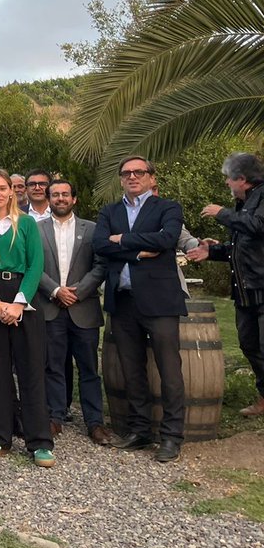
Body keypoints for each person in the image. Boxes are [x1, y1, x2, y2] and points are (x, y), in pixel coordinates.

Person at [93, 156, 186, 462]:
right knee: (132, 370)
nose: (132, 177)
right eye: (126, 173)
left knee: (169, 370)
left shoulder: (168, 208)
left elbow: (168, 239)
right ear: (121, 179)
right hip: (123, 302)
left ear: (151, 178)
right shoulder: (110, 211)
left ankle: (171, 436)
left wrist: (123, 240)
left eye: (139, 172)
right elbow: (100, 245)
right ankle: (140, 430)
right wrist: (137, 252)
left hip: (159, 302)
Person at [0, 169, 54, 466]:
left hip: (23, 297)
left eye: (3, 188)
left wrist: (17, 304)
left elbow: (36, 264)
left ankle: (39, 440)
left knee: (31, 369)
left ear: (12, 191)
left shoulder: (27, 223)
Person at [36, 178, 111, 444]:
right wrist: (56, 291)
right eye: (55, 194)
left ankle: (94, 422)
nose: (60, 199)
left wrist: (78, 292)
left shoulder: (92, 229)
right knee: (53, 365)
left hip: (84, 308)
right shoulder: (36, 229)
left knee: (89, 368)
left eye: (65, 194)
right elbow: (32, 265)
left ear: (74, 199)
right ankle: (55, 417)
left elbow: (101, 265)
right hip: (51, 307)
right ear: (49, 199)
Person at [191, 153, 264, 416]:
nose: (226, 183)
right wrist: (212, 251)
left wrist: (221, 213)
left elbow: (258, 226)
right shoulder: (241, 205)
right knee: (249, 344)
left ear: (242, 179)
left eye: (228, 178)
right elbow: (243, 247)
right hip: (246, 289)